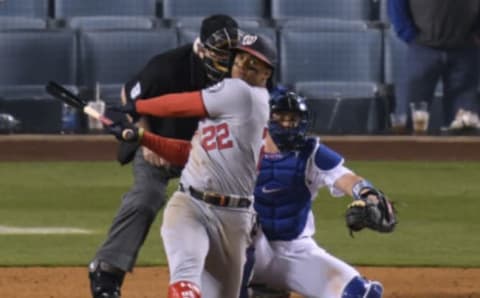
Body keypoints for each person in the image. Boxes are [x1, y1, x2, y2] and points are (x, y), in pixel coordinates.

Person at [108, 33, 277, 298]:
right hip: (190, 205)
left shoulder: (242, 93)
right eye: (242, 58)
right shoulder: (227, 108)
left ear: (267, 74)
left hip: (234, 217)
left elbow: (180, 105)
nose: (244, 66)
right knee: (185, 282)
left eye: (255, 64)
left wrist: (137, 106)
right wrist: (141, 136)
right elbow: (189, 152)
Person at [88, 14, 239, 298]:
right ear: (202, 47)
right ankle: (106, 271)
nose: (228, 58)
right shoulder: (168, 66)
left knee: (235, 206)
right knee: (147, 196)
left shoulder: (245, 69)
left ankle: (248, 277)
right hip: (158, 144)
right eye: (221, 51)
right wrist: (145, 137)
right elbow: (128, 95)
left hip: (210, 156)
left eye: (232, 52)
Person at [243, 88, 396, 298]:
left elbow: (347, 179)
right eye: (281, 118)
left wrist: (368, 195)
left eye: (293, 119)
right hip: (248, 250)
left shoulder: (311, 152)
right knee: (236, 228)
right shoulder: (243, 148)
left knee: (360, 294)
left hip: (295, 250)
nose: (287, 124)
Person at [388, 0, 480, 133]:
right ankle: (405, 153)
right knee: (408, 118)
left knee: (465, 124)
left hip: (465, 51)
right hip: (422, 50)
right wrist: (409, 35)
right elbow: (396, 4)